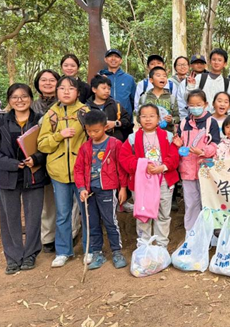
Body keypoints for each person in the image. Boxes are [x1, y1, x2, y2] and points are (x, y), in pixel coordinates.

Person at [0, 84, 47, 274]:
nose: (20, 100)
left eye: (24, 96)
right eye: (15, 97)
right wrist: (12, 164)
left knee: (33, 216)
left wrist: (36, 158)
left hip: (33, 174)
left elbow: (48, 146)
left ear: (31, 98)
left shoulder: (40, 121)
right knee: (9, 217)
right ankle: (13, 257)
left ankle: (30, 255)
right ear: (9, 100)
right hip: (7, 176)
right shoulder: (0, 122)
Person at [37, 76, 90, 268]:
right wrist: (60, 135)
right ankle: (63, 251)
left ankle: (90, 249)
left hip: (82, 171)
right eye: (62, 88)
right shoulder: (50, 114)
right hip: (58, 171)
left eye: (71, 88)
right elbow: (42, 145)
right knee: (63, 213)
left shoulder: (85, 112)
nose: (66, 91)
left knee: (87, 212)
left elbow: (95, 138)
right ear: (57, 91)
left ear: (78, 92)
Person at [119, 104, 179, 248]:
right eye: (144, 116)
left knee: (163, 214)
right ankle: (144, 246)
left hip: (164, 179)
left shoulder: (168, 136)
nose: (148, 119)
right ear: (138, 119)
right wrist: (142, 165)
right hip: (141, 182)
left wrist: (163, 167)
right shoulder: (132, 138)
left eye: (152, 116)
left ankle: (161, 246)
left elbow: (174, 156)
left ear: (158, 118)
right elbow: (124, 158)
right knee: (143, 213)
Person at [75, 110, 128, 270]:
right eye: (89, 131)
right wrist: (81, 188)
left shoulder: (115, 144)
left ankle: (117, 252)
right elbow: (78, 169)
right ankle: (97, 253)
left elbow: (122, 168)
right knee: (92, 223)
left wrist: (123, 188)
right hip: (90, 191)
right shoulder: (85, 147)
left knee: (110, 221)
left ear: (105, 127)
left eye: (96, 131)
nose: (92, 134)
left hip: (108, 189)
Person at [31, 69, 69, 254]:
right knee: (47, 199)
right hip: (38, 155)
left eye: (52, 80)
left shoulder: (65, 104)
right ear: (37, 84)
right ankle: (48, 237)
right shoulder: (32, 106)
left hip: (63, 155)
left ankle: (70, 235)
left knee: (67, 200)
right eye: (43, 80)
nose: (47, 83)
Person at [174, 90, 220, 231]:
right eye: (192, 105)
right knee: (191, 203)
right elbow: (179, 143)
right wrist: (177, 144)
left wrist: (203, 152)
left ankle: (209, 232)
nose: (195, 108)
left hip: (205, 168)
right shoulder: (184, 123)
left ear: (205, 104)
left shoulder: (211, 122)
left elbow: (216, 144)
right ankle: (192, 233)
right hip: (187, 169)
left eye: (198, 104)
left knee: (208, 201)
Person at [185, 48, 230, 115]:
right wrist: (190, 86)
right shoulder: (200, 78)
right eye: (214, 59)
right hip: (200, 117)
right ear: (210, 61)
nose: (216, 62)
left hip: (219, 118)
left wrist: (229, 117)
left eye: (219, 60)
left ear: (225, 64)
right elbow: (188, 98)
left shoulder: (226, 83)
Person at [86, 75, 131, 141]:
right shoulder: (87, 107)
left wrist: (115, 123)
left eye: (109, 89)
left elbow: (127, 120)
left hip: (114, 142)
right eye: (104, 88)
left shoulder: (116, 104)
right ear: (94, 89)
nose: (107, 91)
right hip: (94, 142)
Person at [138, 66, 179, 133]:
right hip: (149, 134)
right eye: (158, 75)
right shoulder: (144, 98)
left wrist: (171, 120)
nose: (162, 77)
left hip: (167, 134)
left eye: (164, 76)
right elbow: (138, 117)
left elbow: (177, 117)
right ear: (151, 80)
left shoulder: (171, 98)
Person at [98, 48, 137, 120]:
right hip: (105, 119)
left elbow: (134, 100)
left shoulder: (129, 79)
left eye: (116, 56)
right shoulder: (100, 77)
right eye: (110, 56)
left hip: (125, 120)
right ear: (105, 59)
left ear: (121, 60)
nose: (113, 59)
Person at [177, 54, 208, 119]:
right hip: (190, 118)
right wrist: (184, 119)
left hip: (208, 117)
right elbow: (182, 103)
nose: (199, 65)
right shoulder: (184, 83)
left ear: (205, 65)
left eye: (201, 63)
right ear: (191, 65)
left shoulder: (211, 80)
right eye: (196, 63)